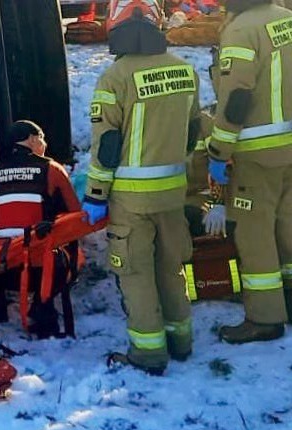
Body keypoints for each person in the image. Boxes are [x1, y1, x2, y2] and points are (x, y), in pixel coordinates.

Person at [83, 0, 201, 375]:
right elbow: (193, 131)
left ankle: (148, 354)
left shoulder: (114, 78)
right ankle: (181, 341)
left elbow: (107, 146)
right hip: (173, 191)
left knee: (136, 274)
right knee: (171, 267)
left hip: (132, 200)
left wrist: (95, 196)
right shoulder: (185, 70)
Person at [206, 0, 292, 343]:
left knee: (255, 235)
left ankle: (264, 318)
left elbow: (236, 100)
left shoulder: (241, 31)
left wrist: (219, 151)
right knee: (288, 225)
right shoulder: (286, 19)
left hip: (258, 155)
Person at [0, 120, 82, 337]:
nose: (44, 144)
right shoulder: (52, 169)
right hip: (43, 271)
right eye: (42, 138)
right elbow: (76, 214)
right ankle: (42, 305)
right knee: (73, 248)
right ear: (31, 139)